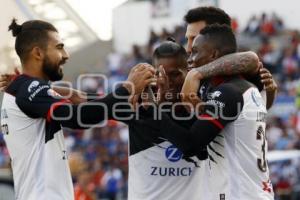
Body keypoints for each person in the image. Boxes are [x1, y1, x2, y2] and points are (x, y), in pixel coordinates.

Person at [0, 19, 154, 200]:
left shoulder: (25, 89)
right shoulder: (28, 89)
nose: (66, 55)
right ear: (38, 53)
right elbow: (78, 117)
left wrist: (127, 102)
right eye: (59, 47)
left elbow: (85, 105)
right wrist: (127, 88)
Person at [155, 24, 274, 200]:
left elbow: (191, 145)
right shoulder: (245, 88)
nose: (191, 59)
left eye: (195, 52)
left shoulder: (228, 92)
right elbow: (205, 150)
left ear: (214, 55)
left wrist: (155, 111)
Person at [184, 6, 277, 110]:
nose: (188, 48)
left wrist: (195, 74)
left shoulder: (239, 74)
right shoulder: (188, 66)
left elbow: (251, 59)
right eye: (188, 39)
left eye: (195, 38)